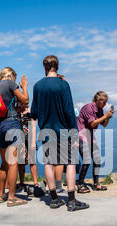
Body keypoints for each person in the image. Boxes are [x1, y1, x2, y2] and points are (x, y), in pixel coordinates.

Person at [30, 55, 89, 212]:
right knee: (70, 162)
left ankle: (54, 199)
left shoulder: (37, 86)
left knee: (49, 163)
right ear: (57, 66)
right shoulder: (63, 85)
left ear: (44, 68)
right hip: (64, 130)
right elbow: (69, 111)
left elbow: (34, 111)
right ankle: (71, 201)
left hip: (46, 130)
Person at [0, 67, 29, 207]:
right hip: (12, 125)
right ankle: (12, 197)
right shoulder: (10, 84)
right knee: (13, 162)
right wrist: (24, 87)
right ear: (11, 75)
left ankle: (2, 195)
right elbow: (25, 100)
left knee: (4, 163)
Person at [77, 91, 114, 193]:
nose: (105, 104)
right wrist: (105, 116)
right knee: (87, 160)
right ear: (98, 100)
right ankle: (80, 184)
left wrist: (108, 117)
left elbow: (104, 124)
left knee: (97, 159)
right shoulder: (88, 108)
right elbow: (93, 124)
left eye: (106, 102)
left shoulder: (100, 110)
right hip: (81, 136)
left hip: (90, 137)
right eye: (103, 102)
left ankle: (96, 184)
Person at [17, 103, 39, 191]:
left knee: (32, 161)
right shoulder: (16, 111)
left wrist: (33, 140)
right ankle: (21, 182)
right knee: (21, 162)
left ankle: (35, 182)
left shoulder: (29, 111)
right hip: (19, 139)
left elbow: (33, 126)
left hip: (29, 138)